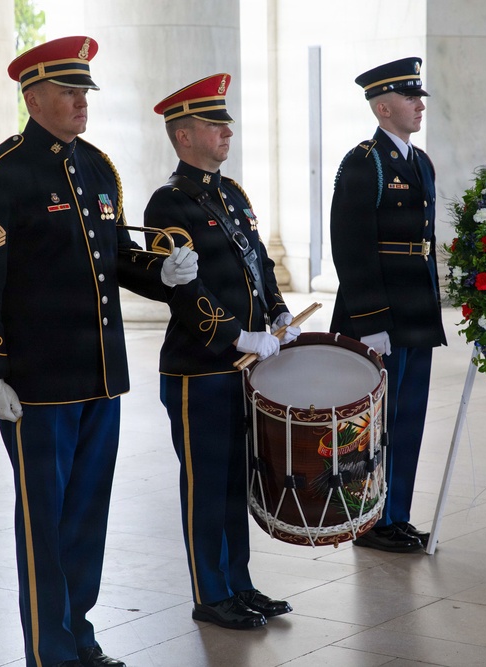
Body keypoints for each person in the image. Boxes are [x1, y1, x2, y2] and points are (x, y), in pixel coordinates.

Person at [0, 36, 198, 667]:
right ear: (33, 97)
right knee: (44, 521)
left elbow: (112, 256)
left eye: (85, 91)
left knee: (86, 518)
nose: (80, 102)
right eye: (68, 91)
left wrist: (161, 274)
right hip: (37, 384)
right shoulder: (4, 172)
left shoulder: (95, 166)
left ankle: (78, 635)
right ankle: (49, 650)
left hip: (100, 376)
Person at [144, 73, 298, 630]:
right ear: (183, 137)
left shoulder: (231, 194)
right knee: (206, 485)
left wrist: (278, 312)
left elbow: (257, 263)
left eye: (225, 123)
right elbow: (185, 290)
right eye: (214, 125)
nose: (226, 132)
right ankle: (211, 593)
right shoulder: (169, 203)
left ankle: (240, 583)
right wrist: (237, 335)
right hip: (200, 368)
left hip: (245, 367)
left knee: (238, 480)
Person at [329, 57, 447, 553]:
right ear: (382, 107)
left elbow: (424, 242)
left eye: (419, 97)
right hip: (379, 317)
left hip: (416, 315)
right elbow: (349, 245)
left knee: (409, 416)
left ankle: (396, 513)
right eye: (409, 97)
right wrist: (372, 320)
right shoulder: (364, 162)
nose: (420, 105)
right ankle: (369, 518)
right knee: (375, 423)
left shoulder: (420, 162)